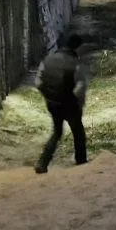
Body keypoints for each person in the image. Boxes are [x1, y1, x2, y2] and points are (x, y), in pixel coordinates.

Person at [33, 34, 88, 174]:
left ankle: (42, 163)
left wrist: (48, 96)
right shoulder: (75, 63)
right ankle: (81, 162)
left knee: (57, 132)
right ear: (77, 48)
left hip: (52, 103)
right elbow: (80, 87)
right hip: (69, 104)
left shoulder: (48, 59)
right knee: (78, 132)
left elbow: (38, 82)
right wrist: (78, 104)